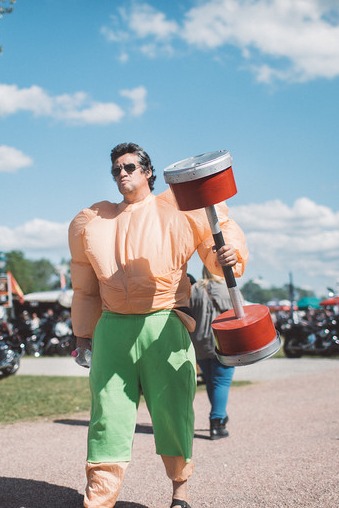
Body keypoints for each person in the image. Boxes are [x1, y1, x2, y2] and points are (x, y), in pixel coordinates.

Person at [69, 142, 248, 508]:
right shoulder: (93, 221)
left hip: (164, 323)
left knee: (173, 412)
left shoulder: (180, 208)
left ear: (148, 172)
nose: (122, 173)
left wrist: (228, 253)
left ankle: (180, 492)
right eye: (116, 169)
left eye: (130, 166)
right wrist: (83, 336)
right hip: (113, 329)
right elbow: (85, 289)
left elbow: (219, 240)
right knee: (108, 415)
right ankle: (98, 499)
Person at [188, 266, 236, 440]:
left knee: (210, 381)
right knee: (222, 381)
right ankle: (216, 421)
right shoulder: (227, 287)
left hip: (199, 342)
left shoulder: (195, 289)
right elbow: (240, 313)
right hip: (222, 341)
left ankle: (220, 414)